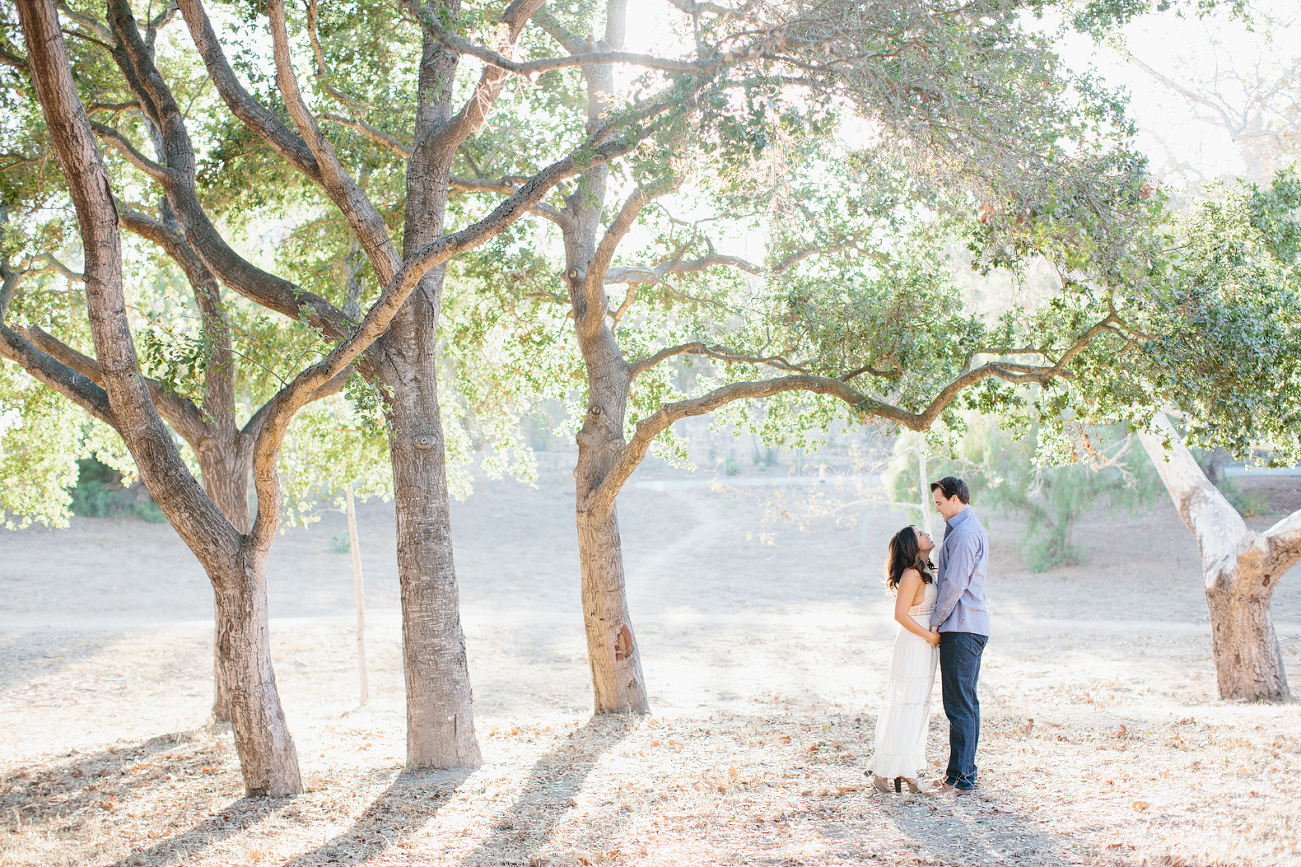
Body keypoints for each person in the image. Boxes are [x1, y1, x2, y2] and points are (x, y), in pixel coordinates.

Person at [926, 476, 990, 796]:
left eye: (939, 502)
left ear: (954, 499)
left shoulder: (964, 534)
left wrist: (935, 621)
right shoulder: (963, 528)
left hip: (961, 628)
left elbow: (954, 586)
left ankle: (962, 779)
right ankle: (961, 774)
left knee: (958, 705)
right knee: (966, 704)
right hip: (969, 627)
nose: (937, 509)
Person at [867, 524, 942, 794]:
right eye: (921, 534)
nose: (927, 534)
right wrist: (929, 637)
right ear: (912, 545)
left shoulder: (925, 571)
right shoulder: (912, 575)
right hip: (913, 646)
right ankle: (896, 772)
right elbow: (900, 615)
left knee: (917, 705)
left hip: (924, 647)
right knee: (906, 705)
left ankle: (900, 767)